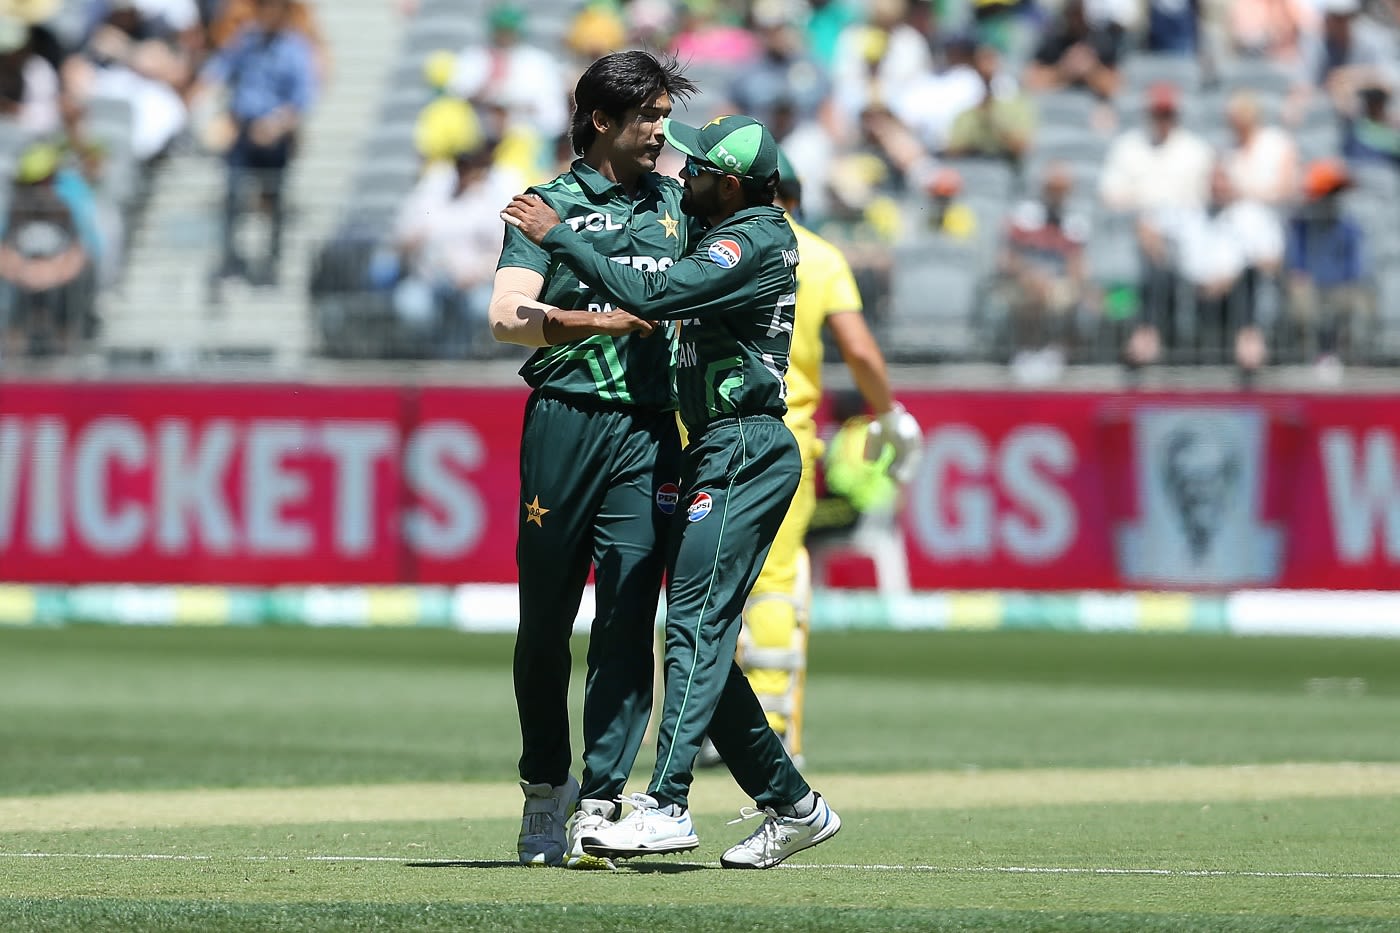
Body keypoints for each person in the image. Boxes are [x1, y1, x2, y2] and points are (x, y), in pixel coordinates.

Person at [503, 114, 842, 870]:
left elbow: (648, 291)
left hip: (745, 446)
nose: (680, 175)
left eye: (697, 171)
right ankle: (793, 804)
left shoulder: (748, 238)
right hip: (716, 446)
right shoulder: (717, 224)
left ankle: (666, 804)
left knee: (691, 624)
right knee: (698, 645)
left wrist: (561, 235)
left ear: (730, 184)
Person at [486, 50, 699, 870]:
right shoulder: (549, 204)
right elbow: (506, 316)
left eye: (663, 114)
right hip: (565, 424)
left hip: (649, 432)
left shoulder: (681, 204)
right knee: (544, 625)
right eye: (647, 115)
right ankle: (547, 786)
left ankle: (603, 800)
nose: (660, 130)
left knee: (625, 620)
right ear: (602, 120)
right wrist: (594, 324)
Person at [696, 145, 921, 770]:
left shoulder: (711, 248)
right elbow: (860, 351)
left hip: (706, 433)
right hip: (783, 439)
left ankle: (701, 723)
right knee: (774, 583)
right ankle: (768, 732)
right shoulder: (819, 256)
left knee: (701, 585)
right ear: (795, 198)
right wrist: (888, 414)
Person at [196, 0, 317, 285]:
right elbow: (217, 72)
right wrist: (207, 112)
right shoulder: (246, 41)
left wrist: (276, 125)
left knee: (273, 200)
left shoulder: (294, 48)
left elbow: (301, 99)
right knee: (233, 195)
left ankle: (271, 263)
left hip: (275, 135)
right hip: (242, 130)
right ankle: (230, 258)